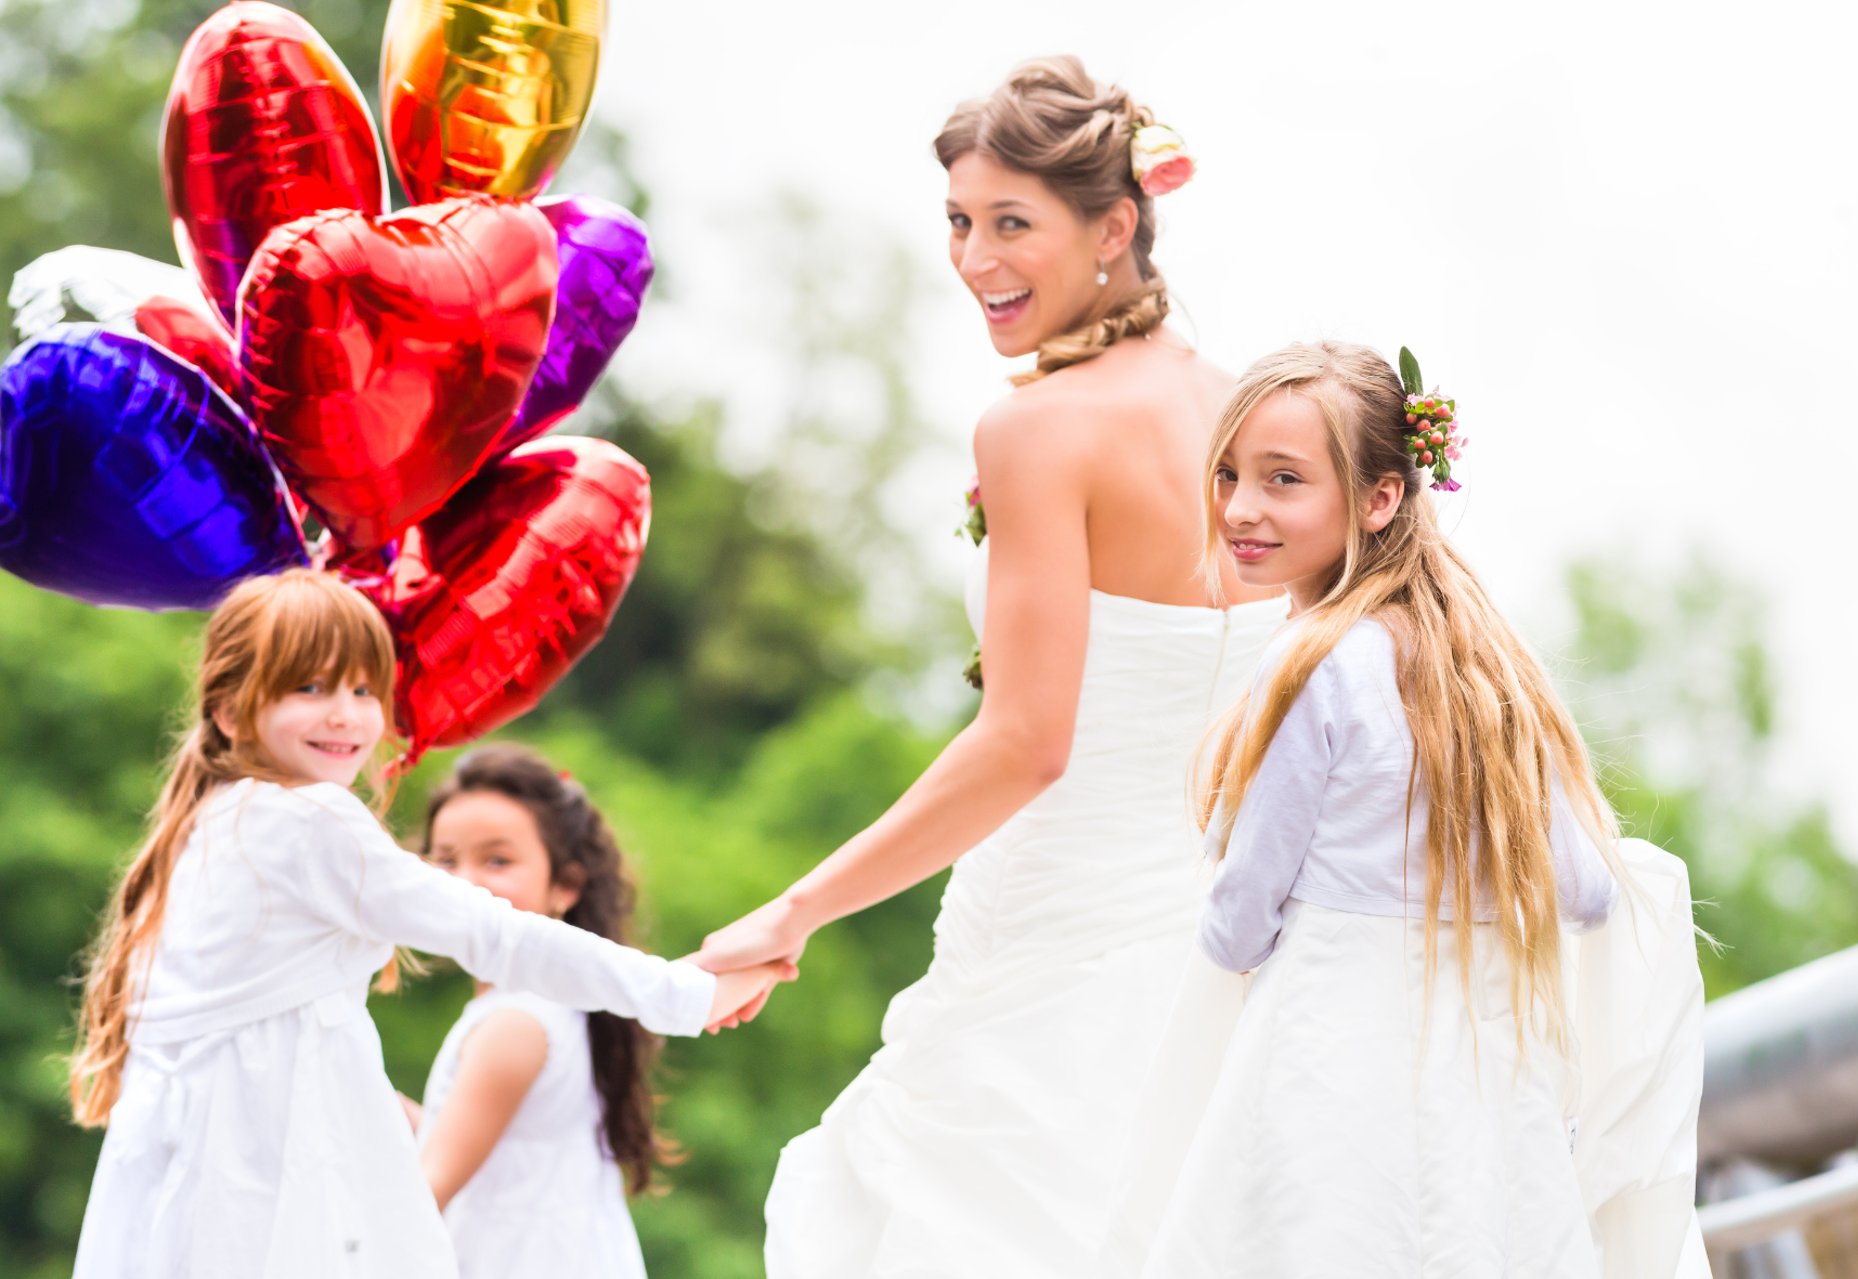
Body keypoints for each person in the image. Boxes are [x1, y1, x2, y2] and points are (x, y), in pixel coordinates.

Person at [695, 55, 1287, 1276]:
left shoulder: (1036, 428)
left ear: (1113, 226)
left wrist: (798, 909)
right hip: (1233, 949)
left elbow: (1027, 742)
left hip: (1055, 953)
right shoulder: (1256, 413)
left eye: (1012, 223)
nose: (974, 260)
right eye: (960, 223)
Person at [67, 568, 786, 1278]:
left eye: (361, 688)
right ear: (229, 710)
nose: (345, 714)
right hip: (266, 1193)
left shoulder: (212, 821)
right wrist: (683, 992)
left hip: (191, 1185)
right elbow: (500, 933)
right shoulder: (310, 819)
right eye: (308, 687)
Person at [1136, 340, 1621, 1276]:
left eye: (1283, 480)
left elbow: (1240, 922)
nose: (1241, 508)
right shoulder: (1487, 673)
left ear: (1380, 497)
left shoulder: (1311, 660)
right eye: (1230, 473)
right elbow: (1587, 888)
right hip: (1482, 1089)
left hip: (1327, 1065)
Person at [410, 745, 672, 1279]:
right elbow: (493, 1141)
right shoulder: (551, 1002)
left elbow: (420, 1194)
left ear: (565, 886)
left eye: (497, 860)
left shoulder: (514, 1024)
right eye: (444, 860)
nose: (464, 882)